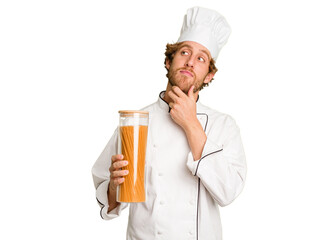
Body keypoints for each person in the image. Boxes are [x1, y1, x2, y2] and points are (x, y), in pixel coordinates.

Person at [92, 6, 247, 240]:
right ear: (168, 60)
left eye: (201, 58)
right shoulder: (135, 122)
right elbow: (108, 198)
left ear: (209, 76)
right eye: (184, 52)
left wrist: (190, 123)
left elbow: (228, 192)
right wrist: (114, 186)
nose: (191, 62)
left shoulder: (223, 125)